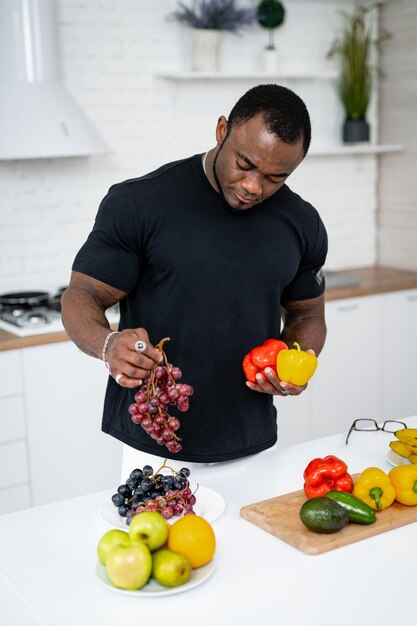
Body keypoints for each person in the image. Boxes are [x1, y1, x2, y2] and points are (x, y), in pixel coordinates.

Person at [61, 83, 328, 467]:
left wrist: (295, 365)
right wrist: (107, 345)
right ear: (222, 130)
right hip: (153, 439)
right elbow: (82, 293)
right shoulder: (140, 203)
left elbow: (307, 315)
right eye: (245, 164)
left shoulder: (302, 222)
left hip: (251, 442)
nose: (254, 186)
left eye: (275, 178)